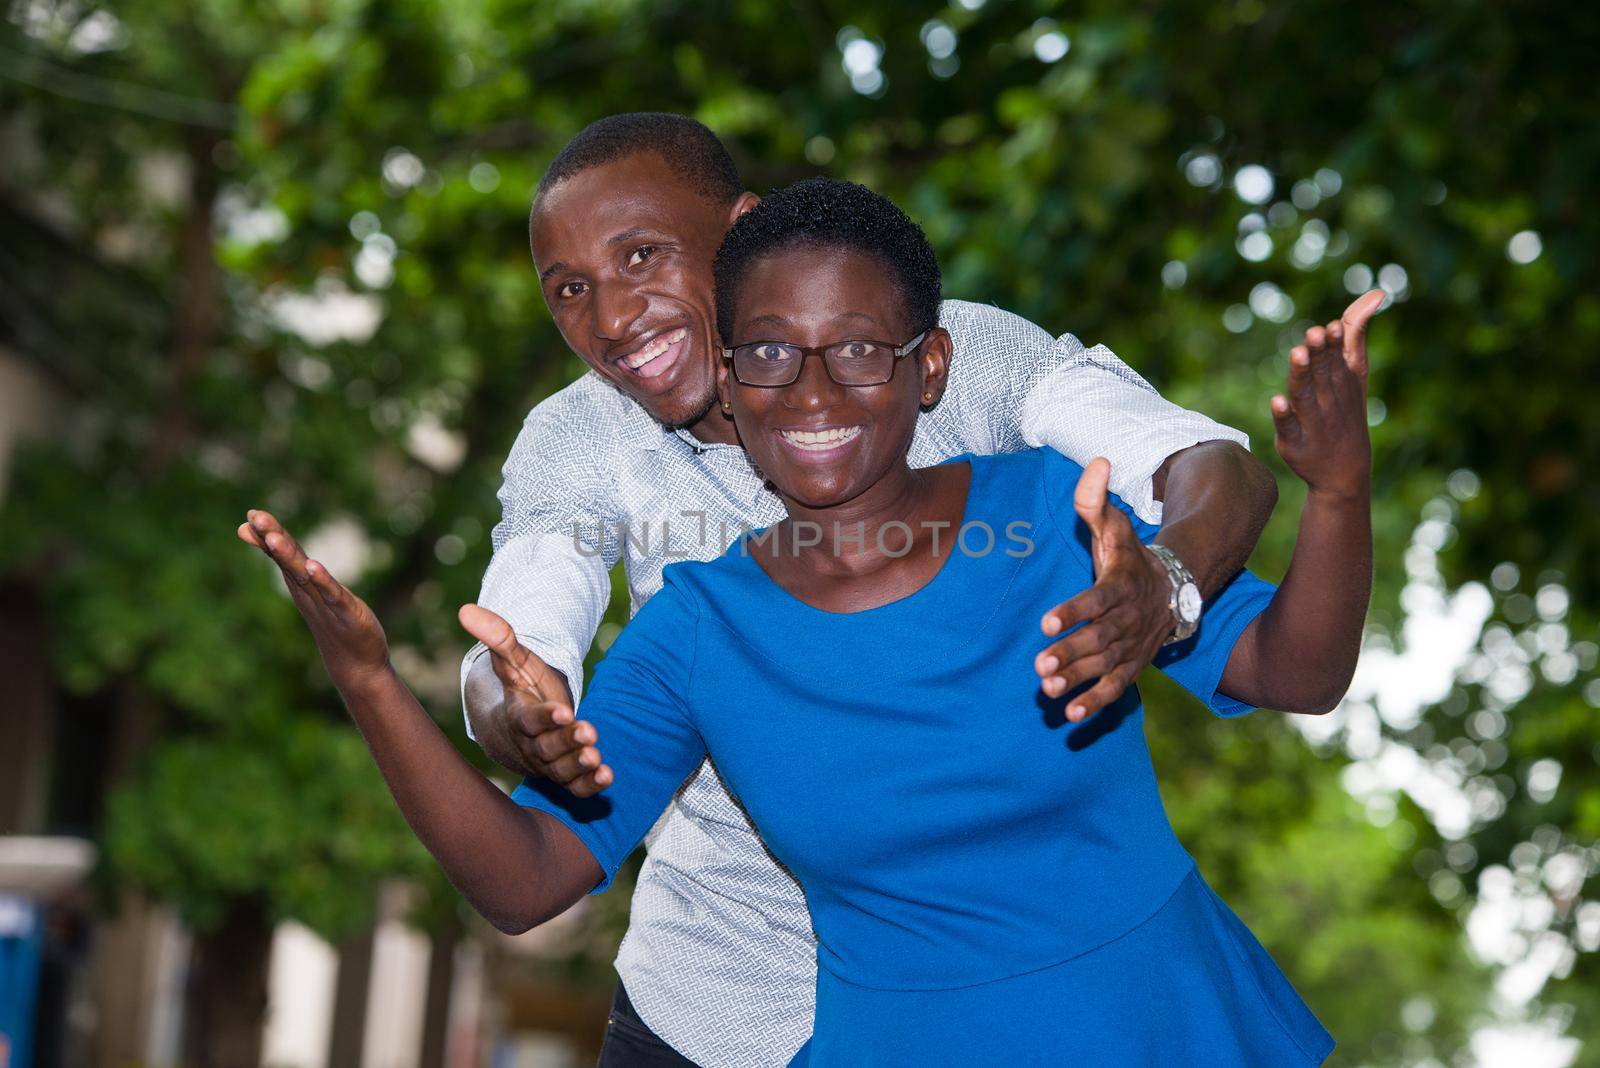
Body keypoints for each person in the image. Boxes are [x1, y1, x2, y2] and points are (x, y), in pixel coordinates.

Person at [240, 178, 1378, 1065]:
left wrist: (1333, 496)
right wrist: (374, 684)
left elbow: (1295, 665)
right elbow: (525, 871)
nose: (818, 391)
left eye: (859, 353)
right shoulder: (696, 627)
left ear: (929, 367)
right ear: (731, 378)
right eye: (775, 355)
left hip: (1161, 1027)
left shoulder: (1053, 512)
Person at [457, 113, 1276, 1064]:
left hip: (962, 1006)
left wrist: (1168, 583)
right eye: (571, 291)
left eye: (641, 256)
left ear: (742, 229)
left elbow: (1201, 462)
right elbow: (519, 630)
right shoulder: (581, 435)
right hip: (709, 1006)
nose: (610, 318)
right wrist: (505, 704)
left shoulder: (945, 353)